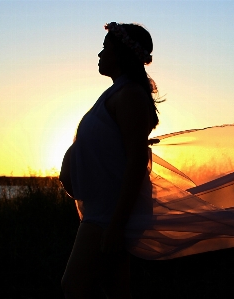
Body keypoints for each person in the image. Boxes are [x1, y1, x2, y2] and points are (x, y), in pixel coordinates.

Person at [61, 22, 161, 299]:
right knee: (112, 290)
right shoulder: (118, 92)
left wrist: (117, 224)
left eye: (106, 48)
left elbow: (137, 160)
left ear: (122, 54)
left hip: (109, 215)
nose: (99, 54)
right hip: (102, 212)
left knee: (74, 287)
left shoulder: (129, 95)